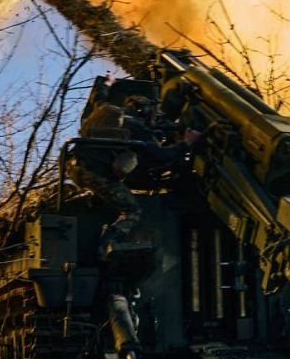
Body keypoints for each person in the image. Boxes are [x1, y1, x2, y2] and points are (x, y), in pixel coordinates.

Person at [69, 92, 198, 258]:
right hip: (96, 173)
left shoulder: (106, 114)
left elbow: (98, 101)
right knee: (132, 210)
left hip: (74, 167)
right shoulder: (135, 126)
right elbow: (160, 156)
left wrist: (105, 85)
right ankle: (108, 243)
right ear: (143, 110)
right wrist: (187, 142)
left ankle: (96, 200)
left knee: (109, 187)